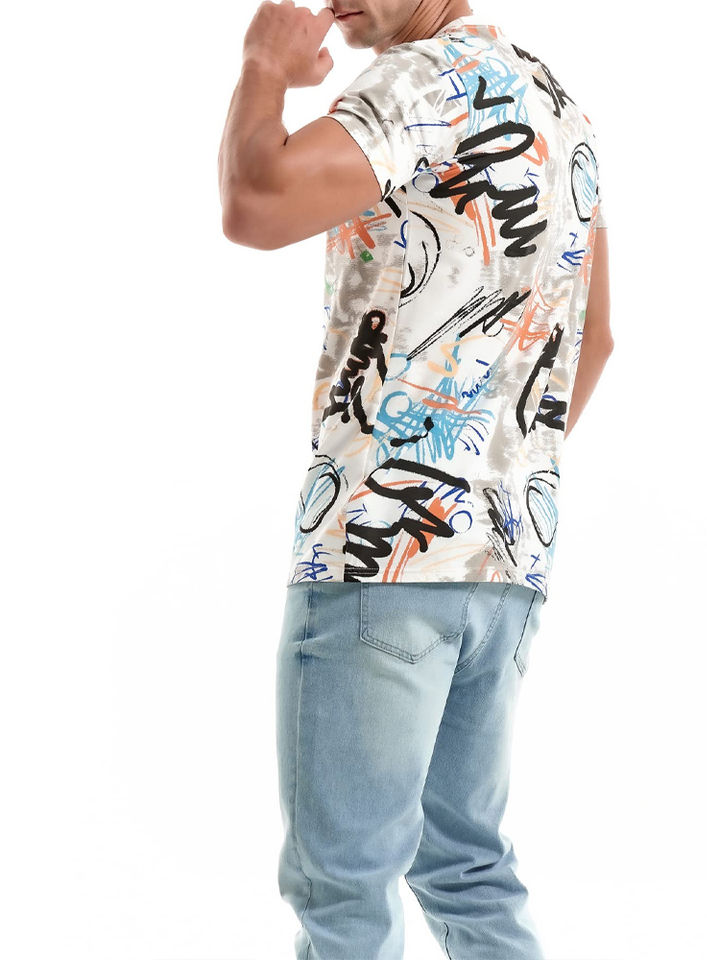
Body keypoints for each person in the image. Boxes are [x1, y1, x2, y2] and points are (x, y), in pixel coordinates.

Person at [218, 1, 613, 956]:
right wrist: (486, 479)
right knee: (466, 868)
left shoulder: (415, 81)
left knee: (342, 888)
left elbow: (256, 206)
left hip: (379, 553)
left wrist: (263, 67)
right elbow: (595, 338)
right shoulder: (560, 106)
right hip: (504, 561)